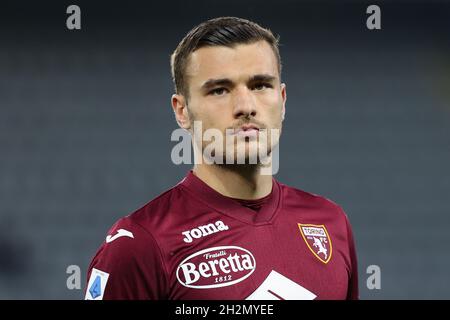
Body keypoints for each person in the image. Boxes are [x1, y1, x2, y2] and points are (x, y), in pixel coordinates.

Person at [85, 16, 358, 300]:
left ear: (283, 98)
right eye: (219, 90)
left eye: (260, 85)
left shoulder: (330, 222)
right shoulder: (141, 244)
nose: (245, 106)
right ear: (182, 111)